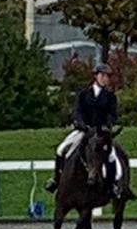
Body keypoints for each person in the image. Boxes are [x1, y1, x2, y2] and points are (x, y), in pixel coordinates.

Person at [48, 61, 120, 191]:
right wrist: (81, 124)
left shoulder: (110, 97)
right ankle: (56, 180)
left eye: (107, 76)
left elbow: (112, 115)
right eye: (103, 75)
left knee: (111, 156)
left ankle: (112, 185)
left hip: (100, 133)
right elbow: (77, 111)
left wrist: (106, 126)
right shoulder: (84, 94)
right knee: (61, 149)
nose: (105, 79)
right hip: (84, 130)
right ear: (96, 76)